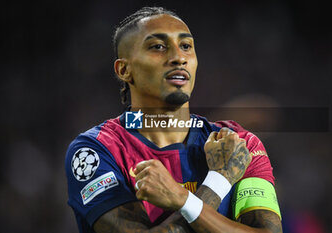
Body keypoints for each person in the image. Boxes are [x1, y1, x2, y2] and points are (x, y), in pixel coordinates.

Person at [65, 6, 282, 233]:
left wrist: (183, 199)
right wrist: (219, 179)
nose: (179, 57)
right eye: (158, 47)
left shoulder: (240, 143)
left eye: (186, 46)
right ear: (124, 70)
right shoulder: (95, 151)